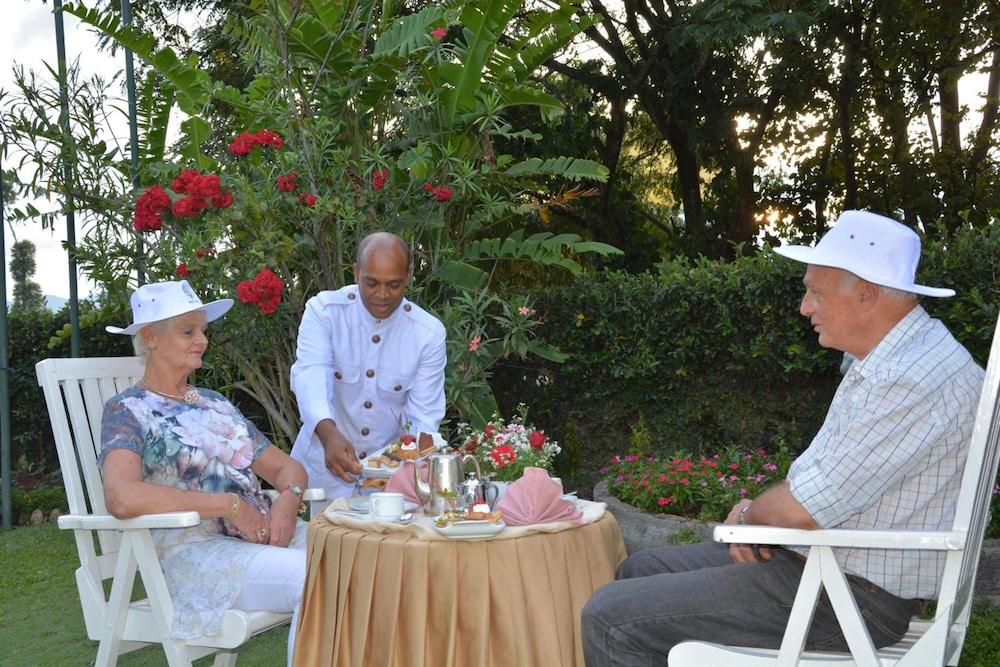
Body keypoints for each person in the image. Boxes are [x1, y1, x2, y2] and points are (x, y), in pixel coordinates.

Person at [582, 210, 985, 664]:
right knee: (639, 569)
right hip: (828, 566)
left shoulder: (906, 378)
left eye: (815, 293)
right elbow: (821, 490)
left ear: (867, 296)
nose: (804, 307)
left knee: (610, 617)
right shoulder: (905, 357)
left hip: (851, 598)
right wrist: (761, 523)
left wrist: (753, 516)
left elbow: (804, 510)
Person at [101, 280, 309, 665]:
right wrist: (229, 505)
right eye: (188, 331)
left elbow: (286, 467)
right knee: (319, 576)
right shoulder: (128, 410)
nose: (202, 340)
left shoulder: (214, 404)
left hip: (263, 539)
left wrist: (288, 503)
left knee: (360, 554)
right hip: (197, 555)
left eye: (203, 330)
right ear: (150, 337)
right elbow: (122, 496)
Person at [290, 232, 447, 503]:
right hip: (316, 478)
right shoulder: (324, 311)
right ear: (356, 272)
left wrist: (401, 471)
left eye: (394, 285)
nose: (382, 295)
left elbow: (423, 417)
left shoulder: (428, 334)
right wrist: (329, 435)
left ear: (409, 276)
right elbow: (311, 378)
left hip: (389, 486)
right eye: (372, 283)